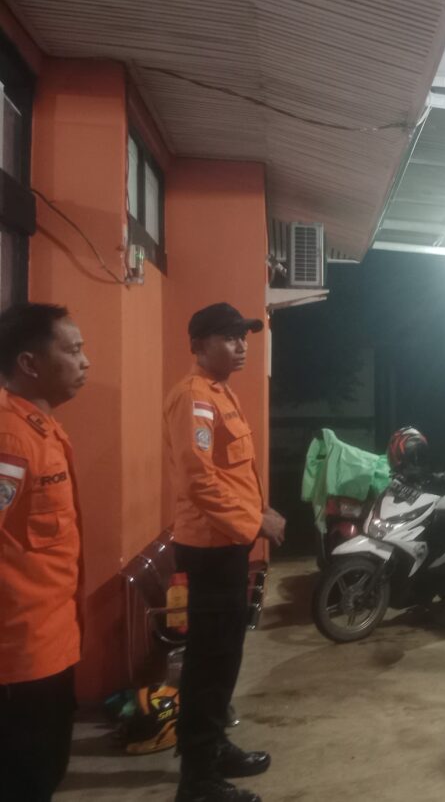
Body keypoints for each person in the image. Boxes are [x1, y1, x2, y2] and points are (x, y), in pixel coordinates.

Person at [166, 303, 286, 802]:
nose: (241, 346)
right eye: (229, 337)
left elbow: (231, 473)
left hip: (227, 544)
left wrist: (257, 511)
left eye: (244, 337)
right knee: (209, 662)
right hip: (210, 548)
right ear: (198, 345)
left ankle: (212, 746)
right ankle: (197, 779)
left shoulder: (221, 393)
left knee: (224, 656)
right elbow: (199, 481)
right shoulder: (194, 397)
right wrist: (256, 521)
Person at [0, 303, 89, 802]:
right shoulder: (10, 438)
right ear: (29, 363)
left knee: (46, 771)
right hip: (20, 657)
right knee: (27, 780)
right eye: (73, 350)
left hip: (51, 643)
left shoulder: (43, 429)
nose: (85, 362)